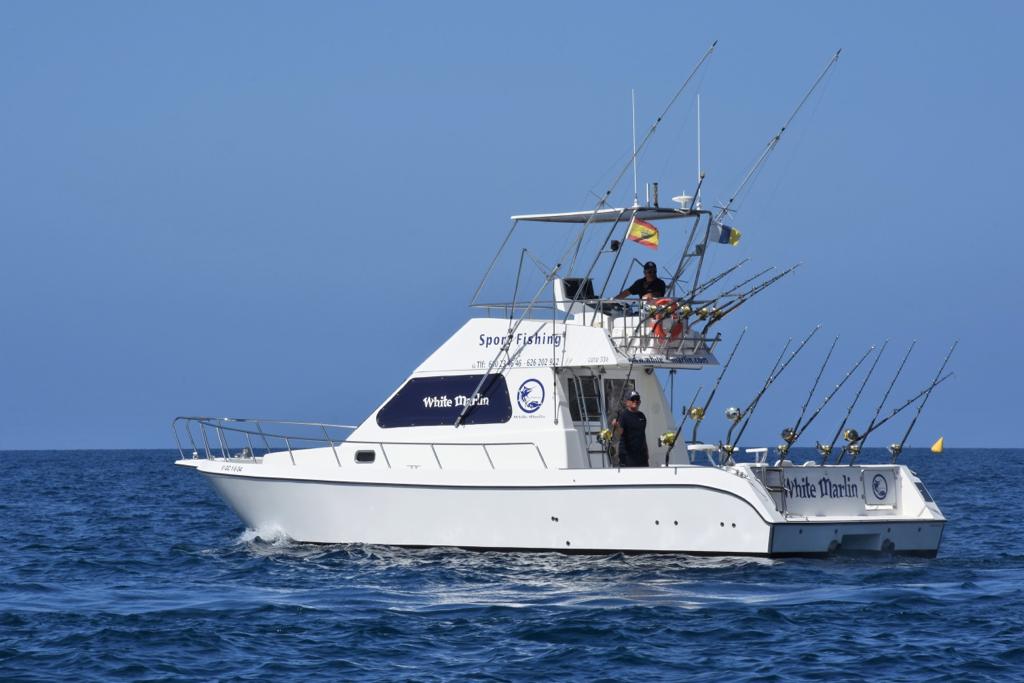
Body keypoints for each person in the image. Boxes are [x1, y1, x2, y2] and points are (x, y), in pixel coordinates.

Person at [611, 391, 649, 467]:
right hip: (627, 456)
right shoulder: (623, 415)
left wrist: (647, 452)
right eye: (633, 399)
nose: (635, 401)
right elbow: (620, 434)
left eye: (637, 399)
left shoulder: (642, 416)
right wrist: (616, 425)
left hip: (641, 456)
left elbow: (642, 435)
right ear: (627, 402)